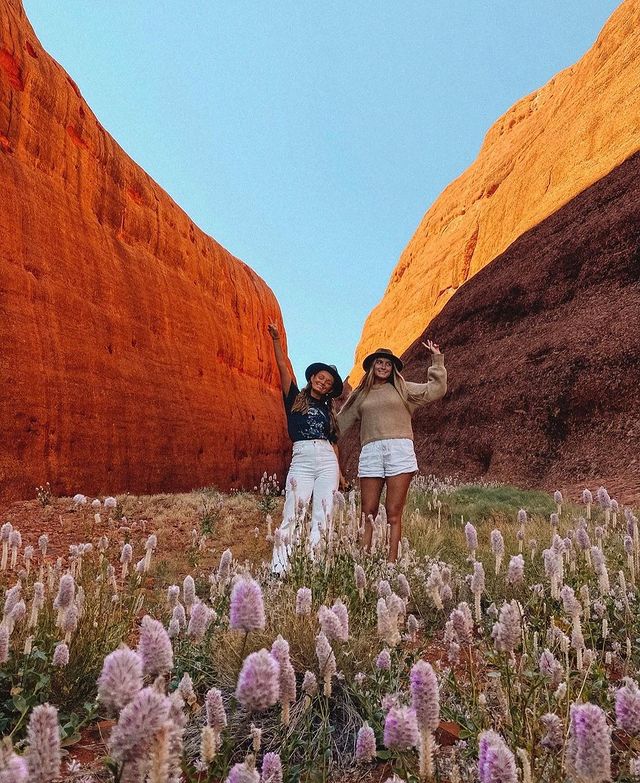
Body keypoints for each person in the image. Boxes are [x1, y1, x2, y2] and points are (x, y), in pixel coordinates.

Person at [337, 341, 447, 562]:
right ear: (372, 366)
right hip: (371, 451)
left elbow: (436, 390)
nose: (384, 367)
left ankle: (391, 563)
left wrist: (437, 361)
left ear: (393, 368)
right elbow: (340, 423)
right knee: (368, 511)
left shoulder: (403, 389)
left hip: (400, 449)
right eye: (379, 362)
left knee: (393, 512)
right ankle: (364, 562)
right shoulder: (361, 394)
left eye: (388, 364)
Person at [268, 323, 344, 573]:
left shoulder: (329, 411)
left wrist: (340, 472)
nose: (323, 382)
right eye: (320, 377)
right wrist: (277, 341)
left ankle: (315, 566)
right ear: (312, 378)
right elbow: (282, 367)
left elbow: (333, 442)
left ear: (331, 389)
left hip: (326, 460)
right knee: (293, 511)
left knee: (324, 513)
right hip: (301, 457)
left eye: (328, 382)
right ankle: (279, 569)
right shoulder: (294, 397)